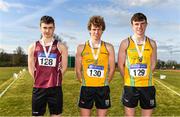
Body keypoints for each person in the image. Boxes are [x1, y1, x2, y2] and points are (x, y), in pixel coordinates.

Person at [118, 12, 157, 116]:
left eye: (142, 23)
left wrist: (145, 76)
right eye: (136, 24)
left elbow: (153, 63)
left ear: (146, 24)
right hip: (130, 86)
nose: (140, 27)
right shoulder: (125, 43)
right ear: (132, 25)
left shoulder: (152, 43)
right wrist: (127, 78)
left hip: (147, 85)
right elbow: (121, 64)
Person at [28, 15, 68, 116]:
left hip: (55, 88)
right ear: (40, 28)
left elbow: (64, 67)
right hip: (38, 88)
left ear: (54, 28)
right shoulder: (33, 46)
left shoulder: (61, 47)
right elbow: (31, 67)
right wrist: (40, 79)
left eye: (50, 28)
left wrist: (54, 78)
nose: (47, 30)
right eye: (45, 27)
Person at [75, 15, 115, 116]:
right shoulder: (81, 47)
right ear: (89, 30)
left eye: (99, 29)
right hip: (86, 88)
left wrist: (105, 82)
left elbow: (112, 68)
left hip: (103, 88)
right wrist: (84, 82)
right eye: (94, 29)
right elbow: (78, 69)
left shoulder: (109, 47)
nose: (96, 32)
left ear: (102, 30)